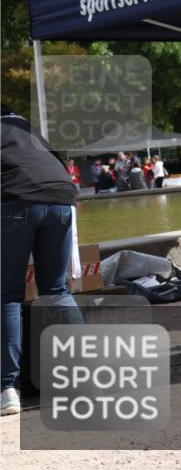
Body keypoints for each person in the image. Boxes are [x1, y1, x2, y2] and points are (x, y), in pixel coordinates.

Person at [1, 105, 84, 416]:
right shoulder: (27, 129)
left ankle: (7, 388)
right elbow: (56, 166)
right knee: (56, 291)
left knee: (7, 295)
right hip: (62, 199)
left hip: (15, 201)